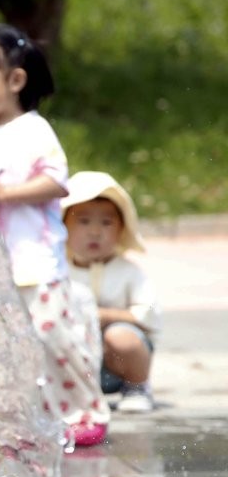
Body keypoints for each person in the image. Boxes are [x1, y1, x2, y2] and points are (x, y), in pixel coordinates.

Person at [0, 24, 111, 447]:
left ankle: (85, 410)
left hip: (35, 261)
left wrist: (4, 193)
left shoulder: (33, 130)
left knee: (51, 338)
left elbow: (56, 183)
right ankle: (13, 418)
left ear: (16, 80)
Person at [62, 171, 161, 413]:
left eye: (106, 223)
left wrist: (106, 316)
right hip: (73, 364)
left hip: (114, 363)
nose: (95, 232)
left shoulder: (128, 271)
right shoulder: (59, 271)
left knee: (120, 337)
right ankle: (63, 397)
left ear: (121, 229)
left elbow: (149, 312)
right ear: (62, 226)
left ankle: (136, 386)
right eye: (83, 222)